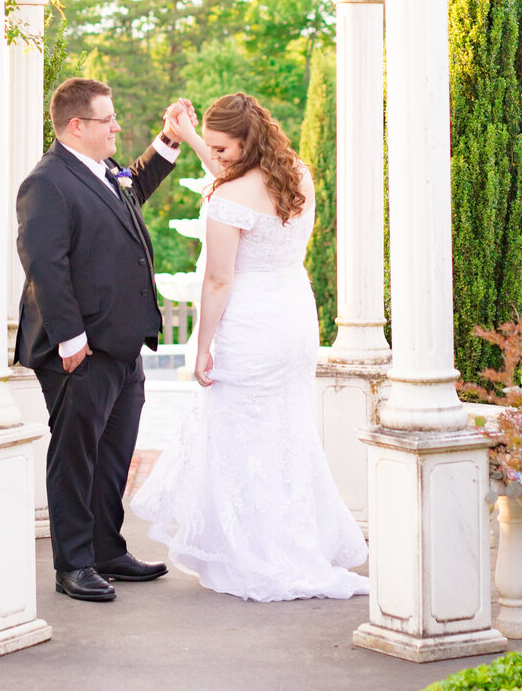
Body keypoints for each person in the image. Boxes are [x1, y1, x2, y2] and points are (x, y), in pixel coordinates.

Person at [132, 92, 370, 602]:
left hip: (247, 323)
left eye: (222, 147)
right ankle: (291, 540)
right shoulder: (296, 174)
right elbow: (233, 178)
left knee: (240, 434)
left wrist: (203, 346)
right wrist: (193, 137)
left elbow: (218, 281)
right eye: (210, 147)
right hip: (293, 316)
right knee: (284, 432)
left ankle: (254, 551)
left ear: (246, 142)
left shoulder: (227, 198)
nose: (215, 156)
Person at [15, 78, 191, 603]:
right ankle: (72, 565)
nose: (117, 126)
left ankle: (107, 550)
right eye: (107, 119)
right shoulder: (46, 182)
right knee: (75, 456)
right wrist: (71, 339)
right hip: (79, 349)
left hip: (122, 343)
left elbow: (131, 187)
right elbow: (46, 264)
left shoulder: (98, 172)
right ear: (77, 126)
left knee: (114, 454)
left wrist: (168, 142)